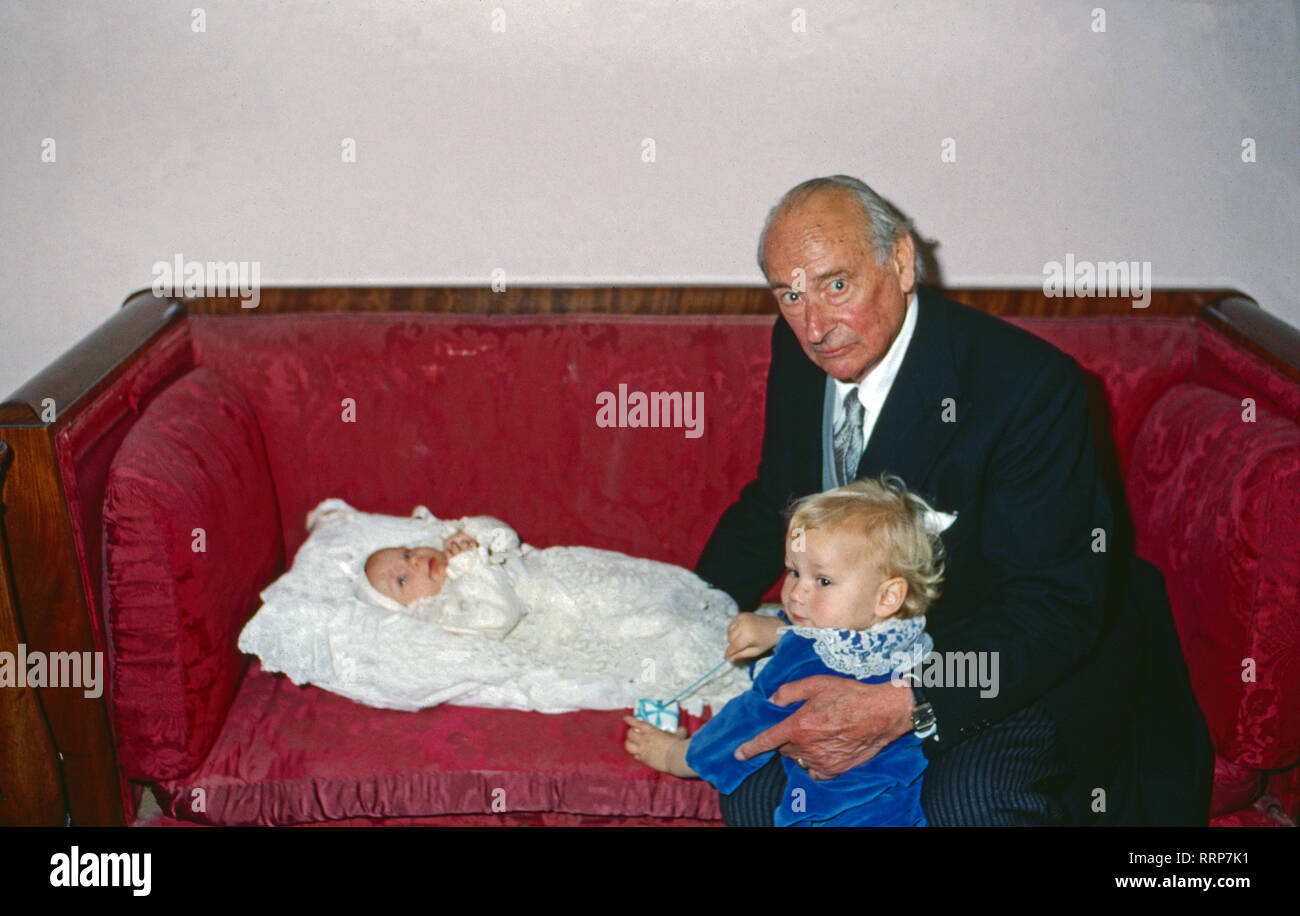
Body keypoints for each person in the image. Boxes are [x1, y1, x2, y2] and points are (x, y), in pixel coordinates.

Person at [692, 175, 1213, 826]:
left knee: (963, 804)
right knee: (756, 793)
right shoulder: (798, 350)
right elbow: (779, 496)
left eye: (836, 285)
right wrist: (688, 612)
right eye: (790, 295)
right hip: (870, 646)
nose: (815, 326)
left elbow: (1051, 609)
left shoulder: (1028, 388)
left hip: (1012, 655)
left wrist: (902, 704)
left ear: (902, 263)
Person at [625, 477, 942, 826]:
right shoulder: (910, 635)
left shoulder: (802, 657)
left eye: (822, 581)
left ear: (887, 597)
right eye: (794, 572)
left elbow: (745, 726)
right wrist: (778, 629)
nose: (796, 594)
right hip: (904, 809)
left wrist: (676, 755)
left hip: (831, 815)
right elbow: (835, 626)